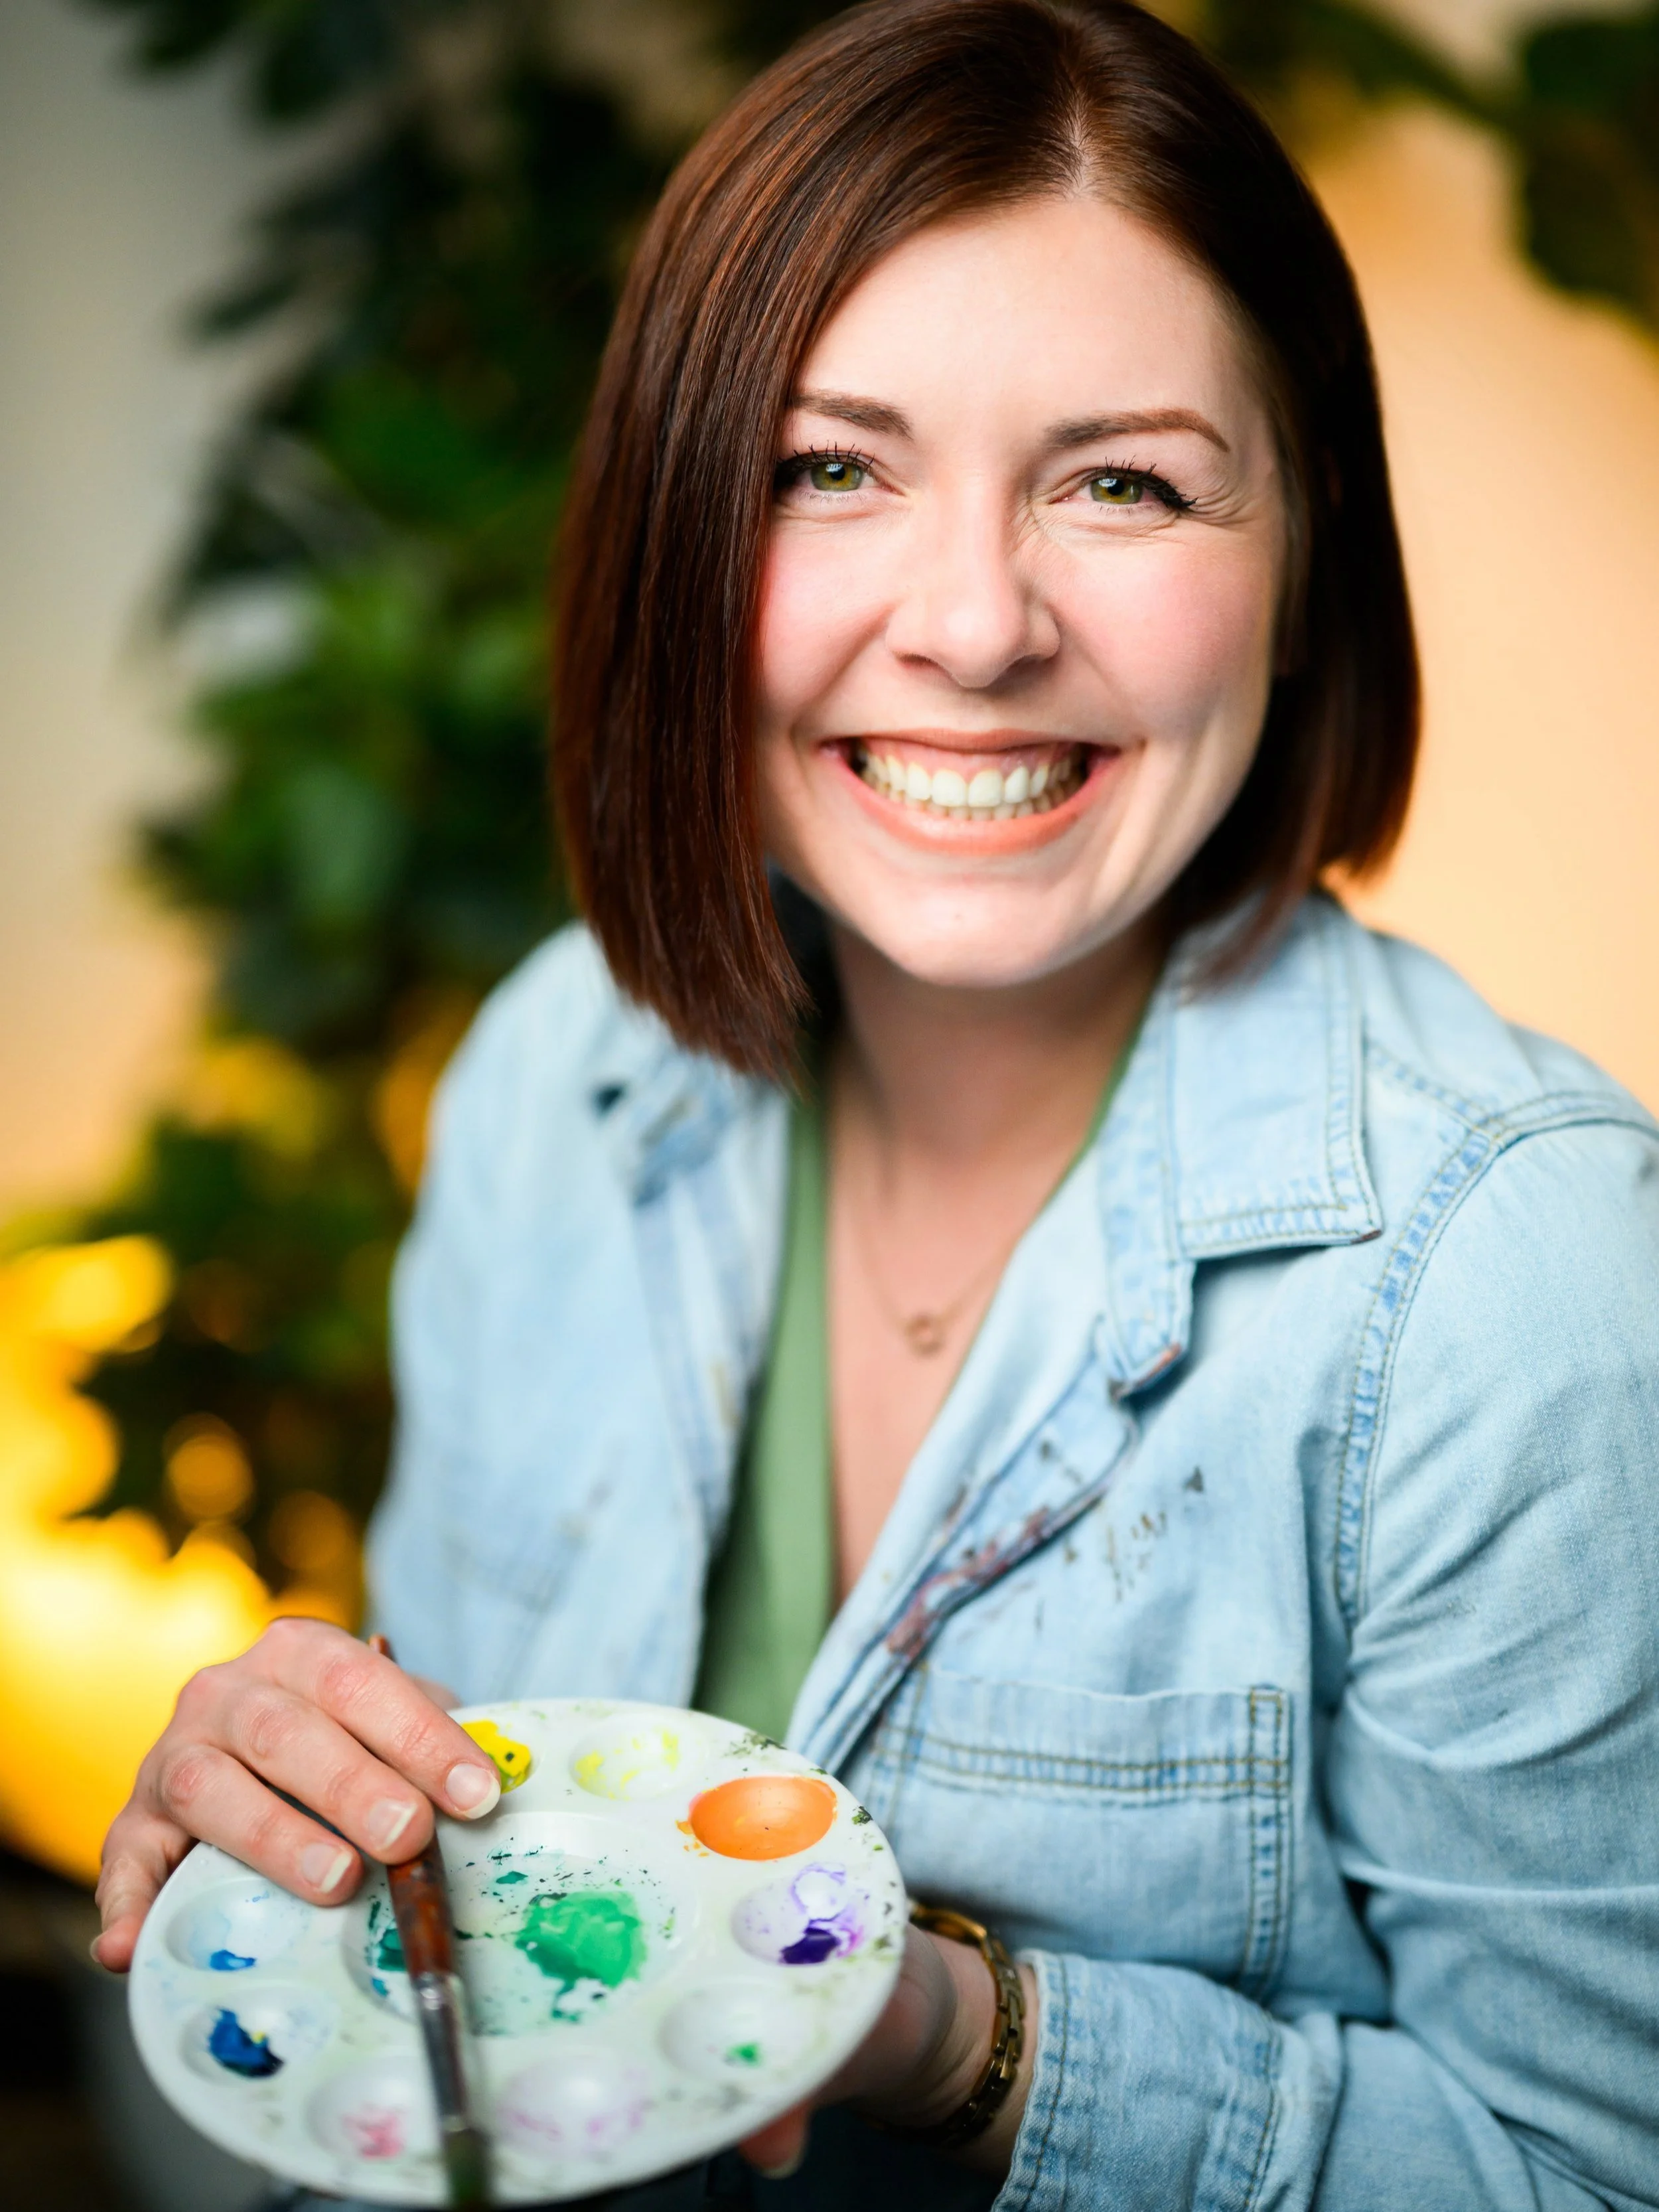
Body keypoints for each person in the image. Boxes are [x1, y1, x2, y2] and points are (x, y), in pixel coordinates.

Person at [93, 3, 1659, 2205]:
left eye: (1122, 480)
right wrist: (306, 1838)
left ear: (1301, 555)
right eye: (829, 467)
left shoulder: (1520, 1281)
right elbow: (457, 1978)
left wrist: (951, 2027)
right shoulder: (558, 1066)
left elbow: (1592, 2173)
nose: (972, 621)